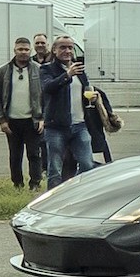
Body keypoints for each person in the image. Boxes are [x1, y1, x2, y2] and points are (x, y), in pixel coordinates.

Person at [39, 36, 94, 188]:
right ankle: (53, 198)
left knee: (87, 164)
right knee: (55, 169)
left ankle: (72, 190)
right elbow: (48, 87)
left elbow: (86, 90)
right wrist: (67, 75)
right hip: (56, 127)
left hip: (79, 125)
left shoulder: (80, 70)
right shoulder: (46, 69)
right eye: (63, 47)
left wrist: (92, 98)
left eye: (70, 47)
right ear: (54, 50)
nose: (67, 51)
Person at [0, 37, 45, 189]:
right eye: (20, 49)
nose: (23, 52)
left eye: (26, 49)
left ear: (30, 51)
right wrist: (1, 120)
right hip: (11, 121)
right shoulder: (3, 71)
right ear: (14, 50)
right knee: (15, 155)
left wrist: (43, 118)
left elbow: (46, 95)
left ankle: (35, 183)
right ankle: (17, 184)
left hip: (32, 120)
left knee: (34, 154)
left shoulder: (39, 70)